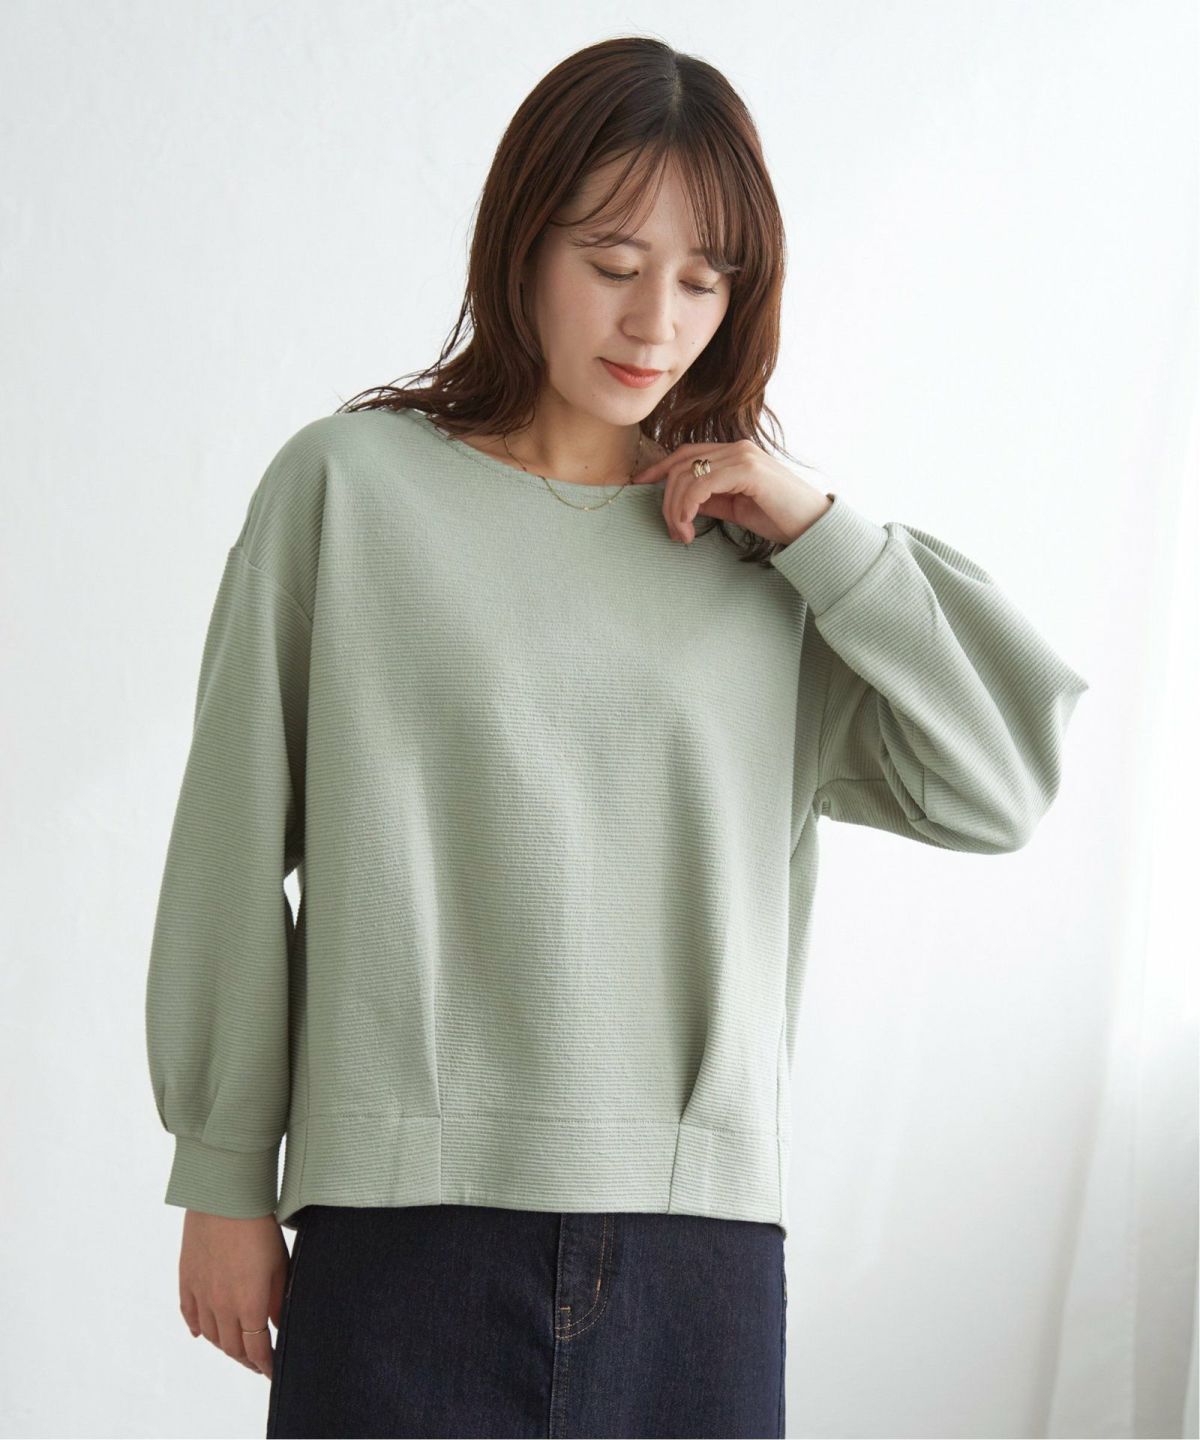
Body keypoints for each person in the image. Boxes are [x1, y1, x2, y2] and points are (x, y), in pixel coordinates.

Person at [144, 35, 1089, 1440]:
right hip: (402, 1234)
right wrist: (222, 1171)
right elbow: (229, 844)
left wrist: (828, 532)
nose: (656, 321)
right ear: (522, 243)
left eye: (706, 280)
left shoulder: (764, 560)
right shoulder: (347, 492)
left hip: (695, 1259)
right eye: (612, 262)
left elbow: (1000, 783)